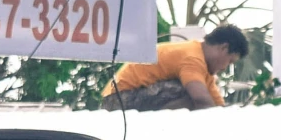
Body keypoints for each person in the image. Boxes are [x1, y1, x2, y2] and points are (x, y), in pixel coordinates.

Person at [103, 24, 250, 110]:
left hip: (132, 96)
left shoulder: (204, 69)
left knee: (201, 94)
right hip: (118, 99)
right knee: (189, 93)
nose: (225, 67)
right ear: (224, 48)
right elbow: (202, 100)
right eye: (229, 61)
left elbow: (217, 108)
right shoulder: (192, 58)